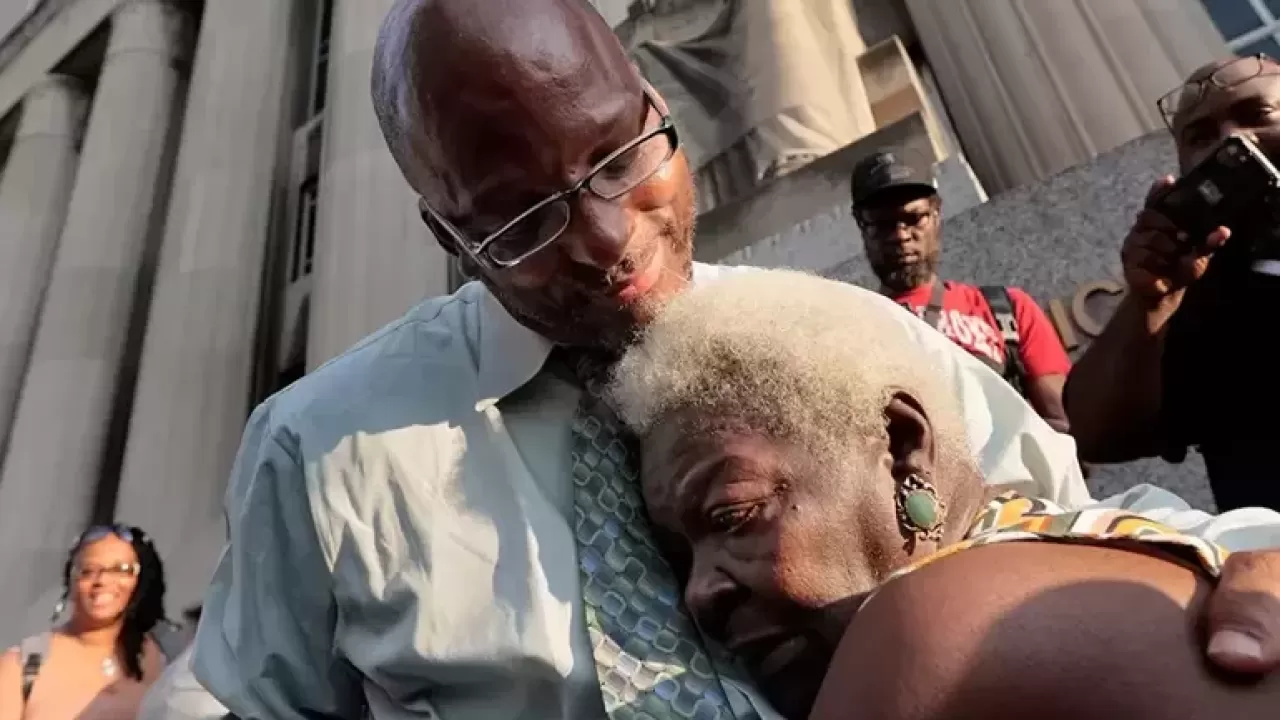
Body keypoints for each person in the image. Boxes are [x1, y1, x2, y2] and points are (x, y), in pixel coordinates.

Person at [192, 2, 1280, 717]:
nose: (607, 240)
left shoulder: (854, 339)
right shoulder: (321, 453)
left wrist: (1252, 556)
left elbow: (1075, 523)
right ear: (448, 235)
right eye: (520, 220)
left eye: (619, 156)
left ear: (658, 109)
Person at [608, 269, 1280, 719]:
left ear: (901, 446)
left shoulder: (930, 628)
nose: (698, 594)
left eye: (734, 513)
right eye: (678, 558)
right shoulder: (1109, 550)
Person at [1065, 54, 1280, 511]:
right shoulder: (1199, 305)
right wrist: (1150, 301)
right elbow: (1095, 433)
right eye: (1201, 137)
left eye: (1256, 114)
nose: (1231, 139)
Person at [851, 150, 1072, 432]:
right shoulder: (855, 331)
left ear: (936, 213)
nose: (901, 235)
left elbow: (1065, 426)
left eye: (914, 218)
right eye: (882, 224)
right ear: (861, 225)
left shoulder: (1008, 310)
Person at [0, 525, 170, 720]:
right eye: (88, 570)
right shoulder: (23, 666)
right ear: (70, 582)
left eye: (121, 570)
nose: (102, 580)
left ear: (143, 581)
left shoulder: (165, 658)